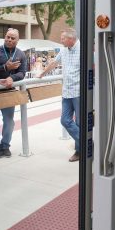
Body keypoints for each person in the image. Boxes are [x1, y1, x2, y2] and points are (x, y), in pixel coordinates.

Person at [38, 28, 81, 162]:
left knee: (80, 123)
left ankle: (79, 151)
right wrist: (42, 74)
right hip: (67, 91)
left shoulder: (83, 49)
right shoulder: (63, 50)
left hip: (79, 92)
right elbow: (54, 63)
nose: (61, 40)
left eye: (63, 38)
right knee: (65, 120)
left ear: (71, 39)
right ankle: (87, 144)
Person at [0, 28, 27, 158]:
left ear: (17, 41)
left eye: (12, 38)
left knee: (9, 121)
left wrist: (11, 78)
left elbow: (22, 73)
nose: (9, 39)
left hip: (9, 92)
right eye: (7, 37)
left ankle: (5, 145)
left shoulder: (21, 54)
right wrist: (5, 67)